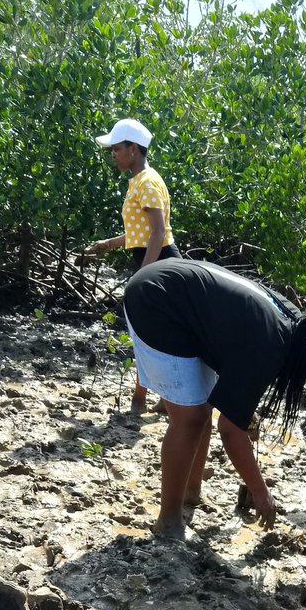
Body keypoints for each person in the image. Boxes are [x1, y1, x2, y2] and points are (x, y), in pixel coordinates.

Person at [123, 259, 306, 539]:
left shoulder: (297, 329)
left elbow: (238, 390)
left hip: (180, 298)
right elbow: (230, 431)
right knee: (190, 419)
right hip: (156, 300)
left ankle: (190, 493)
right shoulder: (271, 346)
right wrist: (260, 491)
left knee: (202, 407)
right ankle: (169, 520)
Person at [87, 117, 181, 413]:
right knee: (152, 335)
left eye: (117, 148)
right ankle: (155, 401)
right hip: (152, 261)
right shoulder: (140, 181)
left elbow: (157, 232)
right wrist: (108, 244)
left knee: (151, 335)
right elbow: (140, 232)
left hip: (159, 263)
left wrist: (144, 276)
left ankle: (144, 402)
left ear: (134, 150)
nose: (113, 154)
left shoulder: (148, 181)